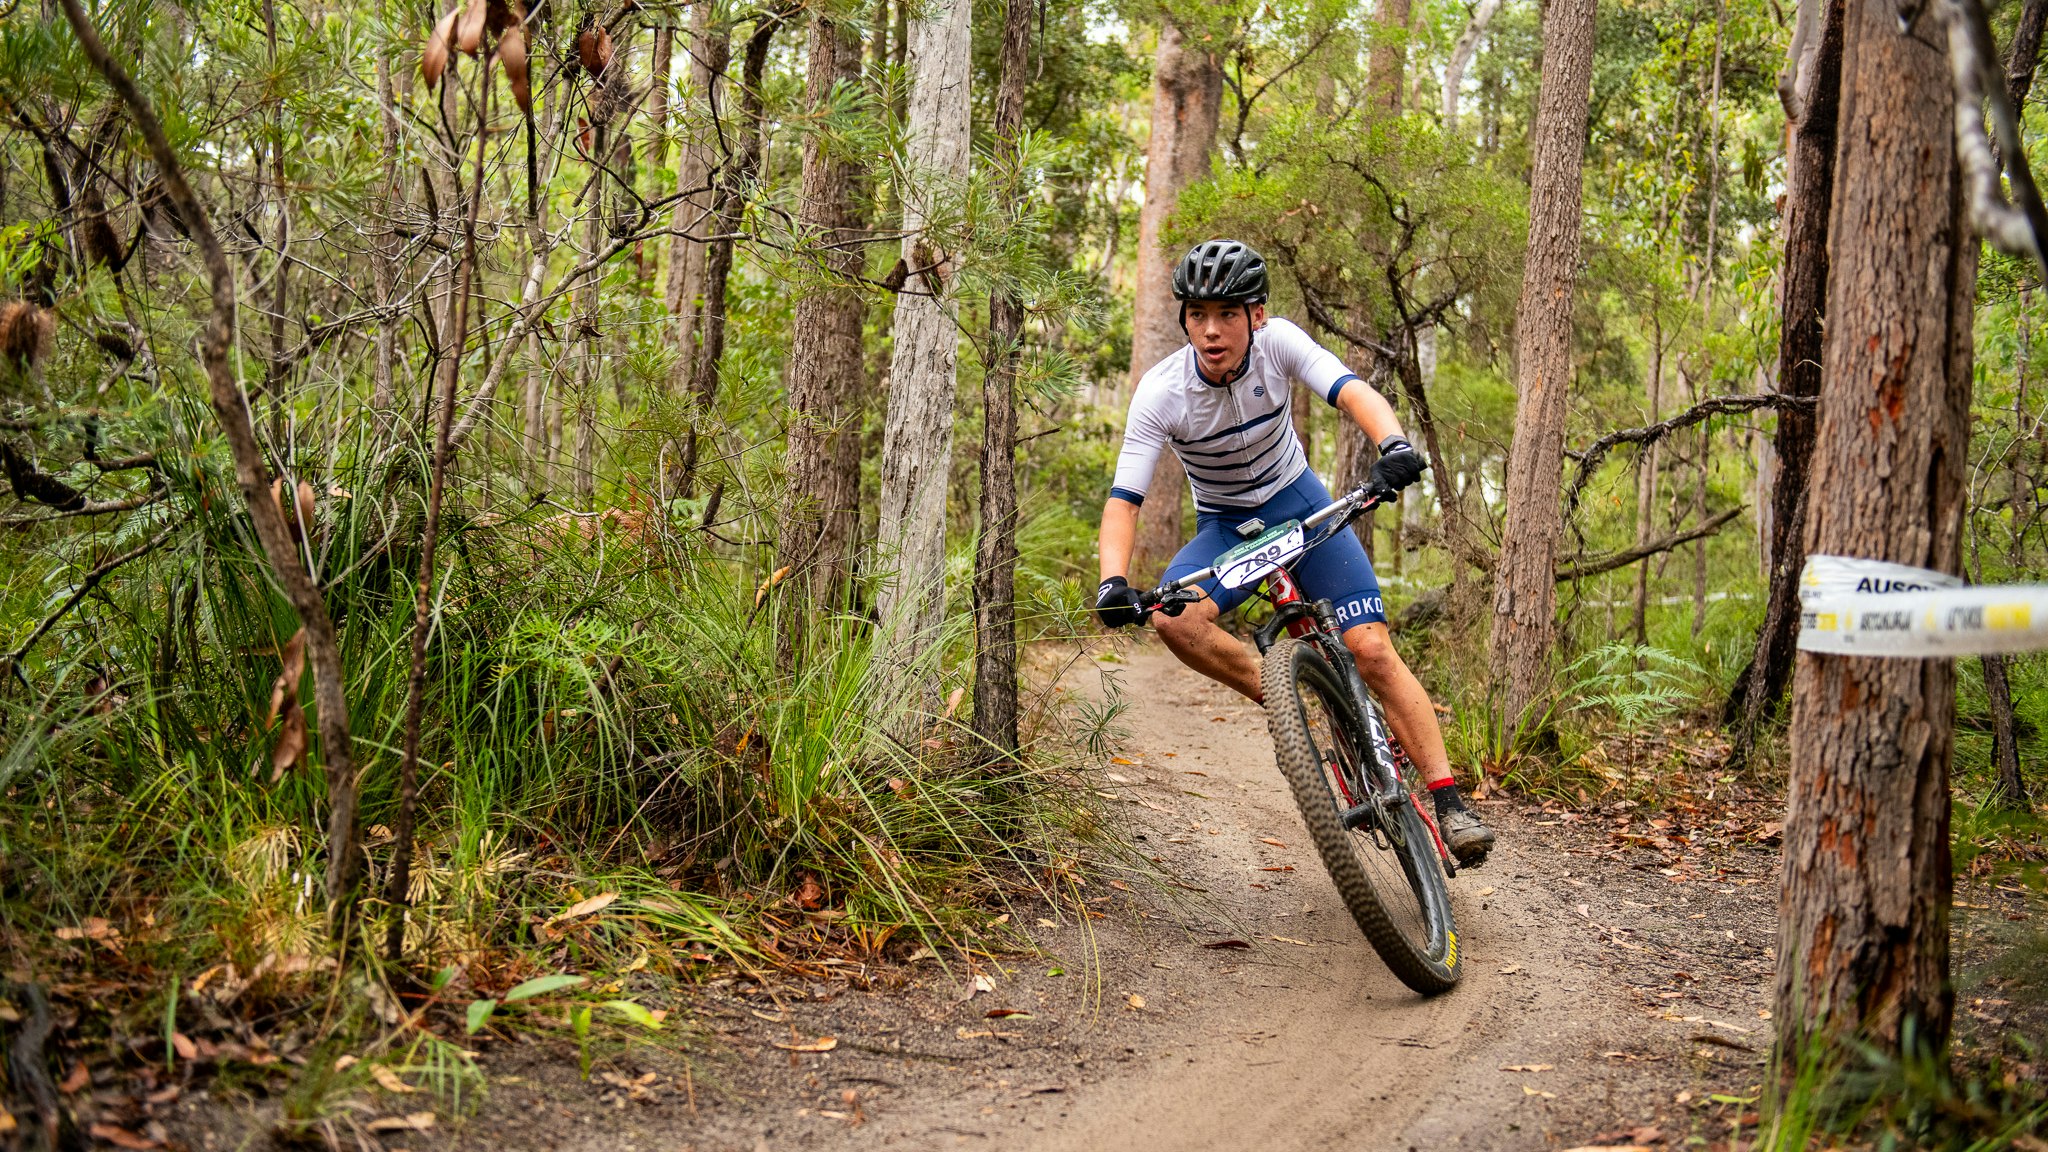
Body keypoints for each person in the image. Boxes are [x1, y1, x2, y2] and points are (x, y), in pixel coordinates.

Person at [1093, 239, 1496, 866]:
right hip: (1228, 527)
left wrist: (1391, 445)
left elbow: (1353, 391)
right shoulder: (1161, 392)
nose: (1210, 330)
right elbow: (1124, 501)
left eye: (1227, 314)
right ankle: (1293, 702)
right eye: (1197, 315)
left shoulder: (1279, 342)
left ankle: (1449, 802)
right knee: (1174, 618)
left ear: (1256, 316)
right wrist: (1112, 581)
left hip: (1300, 506)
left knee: (1371, 651)